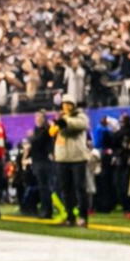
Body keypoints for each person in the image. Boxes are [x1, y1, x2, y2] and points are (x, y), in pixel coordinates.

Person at [52, 95, 92, 227]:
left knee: (80, 188)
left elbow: (80, 125)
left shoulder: (80, 116)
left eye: (69, 104)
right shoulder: (61, 118)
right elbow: (52, 133)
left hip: (77, 158)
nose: (66, 106)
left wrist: (65, 121)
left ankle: (83, 217)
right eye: (64, 104)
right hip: (62, 158)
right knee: (66, 189)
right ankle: (70, 217)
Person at [28, 111, 56, 219]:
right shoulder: (37, 130)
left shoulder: (45, 130)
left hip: (44, 161)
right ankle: (44, 208)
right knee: (42, 186)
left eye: (39, 116)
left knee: (45, 187)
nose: (37, 118)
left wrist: (31, 138)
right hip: (37, 160)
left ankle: (47, 210)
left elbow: (38, 142)